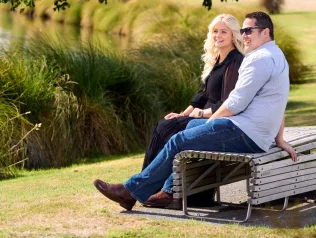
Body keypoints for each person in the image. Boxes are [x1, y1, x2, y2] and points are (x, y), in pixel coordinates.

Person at [93, 11, 298, 210]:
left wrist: (211, 122)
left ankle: (130, 192)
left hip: (245, 132)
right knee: (187, 126)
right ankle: (167, 190)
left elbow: (235, 104)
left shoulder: (258, 59)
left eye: (248, 30)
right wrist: (278, 139)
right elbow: (279, 103)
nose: (244, 35)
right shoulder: (276, 55)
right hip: (255, 132)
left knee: (178, 140)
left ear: (265, 32)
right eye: (242, 30)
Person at [140, 14, 244, 207]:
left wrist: (199, 114)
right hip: (201, 115)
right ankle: (150, 187)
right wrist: (183, 113)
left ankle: (158, 189)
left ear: (233, 35)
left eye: (223, 31)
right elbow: (202, 95)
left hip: (214, 119)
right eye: (215, 31)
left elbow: (227, 102)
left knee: (166, 128)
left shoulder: (235, 61)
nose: (218, 35)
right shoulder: (218, 59)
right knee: (165, 124)